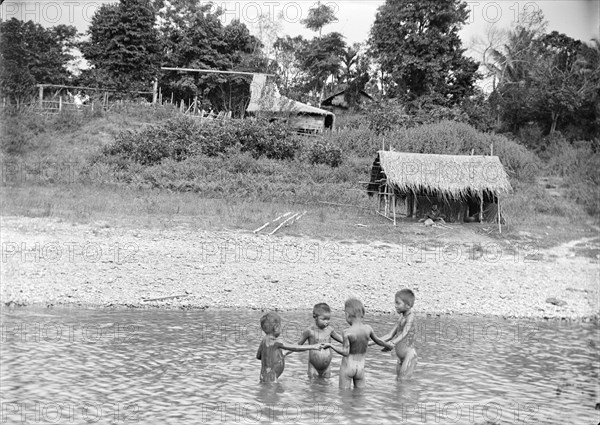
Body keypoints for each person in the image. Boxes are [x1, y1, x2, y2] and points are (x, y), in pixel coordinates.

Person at [325, 298, 394, 389]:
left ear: (347, 315)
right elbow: (379, 341)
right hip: (360, 369)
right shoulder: (368, 329)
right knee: (360, 397)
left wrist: (331, 345)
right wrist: (388, 346)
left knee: (344, 396)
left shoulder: (347, 332)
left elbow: (345, 352)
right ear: (363, 314)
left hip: (348, 368)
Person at [256, 311, 323, 383]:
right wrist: (313, 346)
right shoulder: (277, 342)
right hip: (272, 380)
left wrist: (278, 356)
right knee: (273, 393)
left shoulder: (264, 341)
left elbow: (258, 356)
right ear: (276, 327)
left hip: (264, 377)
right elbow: (295, 348)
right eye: (280, 326)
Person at [380, 289, 418, 380]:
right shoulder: (401, 317)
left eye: (398, 303)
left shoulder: (411, 317)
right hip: (401, 358)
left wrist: (392, 343)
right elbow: (389, 335)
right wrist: (369, 342)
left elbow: (405, 332)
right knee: (399, 382)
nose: (395, 306)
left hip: (409, 356)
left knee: (403, 382)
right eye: (395, 303)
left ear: (408, 305)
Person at [297, 303, 343, 378]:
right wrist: (285, 350)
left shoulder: (330, 330)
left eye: (328, 319)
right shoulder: (309, 331)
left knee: (326, 387)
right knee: (313, 386)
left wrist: (360, 341)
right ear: (315, 317)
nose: (326, 322)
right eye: (323, 319)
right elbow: (297, 345)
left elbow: (343, 340)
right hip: (313, 367)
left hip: (327, 367)